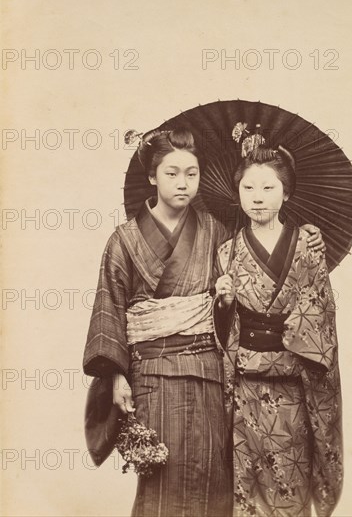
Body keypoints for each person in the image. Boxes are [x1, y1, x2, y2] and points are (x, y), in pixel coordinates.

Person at [83, 128, 324, 517]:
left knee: (215, 474)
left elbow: (249, 293)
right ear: (152, 176)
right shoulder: (124, 240)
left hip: (210, 370)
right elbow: (109, 306)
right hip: (153, 374)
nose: (183, 183)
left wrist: (309, 237)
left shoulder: (216, 232)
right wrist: (115, 376)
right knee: (162, 476)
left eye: (191, 174)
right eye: (172, 173)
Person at [215, 143, 343, 517]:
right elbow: (223, 328)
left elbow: (322, 312)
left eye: (268, 188)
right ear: (236, 192)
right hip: (245, 384)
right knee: (247, 485)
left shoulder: (308, 244)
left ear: (286, 192)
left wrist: (291, 332)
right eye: (248, 189)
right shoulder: (227, 252)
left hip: (293, 382)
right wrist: (223, 304)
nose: (257, 198)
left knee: (290, 483)